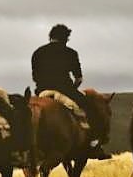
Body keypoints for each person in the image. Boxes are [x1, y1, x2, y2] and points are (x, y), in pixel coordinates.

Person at [31, 24, 110, 160]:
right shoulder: (71, 53)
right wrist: (73, 88)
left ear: (51, 36)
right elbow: (78, 78)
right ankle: (94, 144)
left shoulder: (38, 52)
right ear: (66, 38)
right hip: (65, 90)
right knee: (91, 109)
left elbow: (35, 77)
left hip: (42, 91)